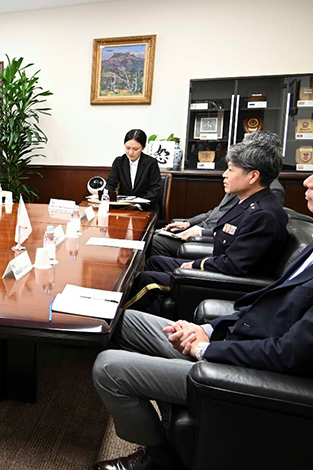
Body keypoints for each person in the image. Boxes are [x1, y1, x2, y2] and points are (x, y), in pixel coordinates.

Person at [91, 172, 313, 470]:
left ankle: (160, 460)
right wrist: (207, 328)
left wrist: (206, 351)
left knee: (107, 367)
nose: (307, 182)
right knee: (125, 320)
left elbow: (288, 355)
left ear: (252, 174)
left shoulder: (266, 213)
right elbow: (262, 303)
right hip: (230, 338)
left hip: (241, 368)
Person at [128, 139, 288, 315]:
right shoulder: (249, 201)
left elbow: (234, 265)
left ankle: (114, 325)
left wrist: (197, 265)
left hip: (228, 281)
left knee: (146, 279)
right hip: (221, 266)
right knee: (155, 262)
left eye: (231, 170)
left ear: (253, 176)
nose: (224, 174)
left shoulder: (263, 214)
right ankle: (155, 312)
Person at [151, 131, 286, 257]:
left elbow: (241, 234)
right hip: (207, 231)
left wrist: (200, 233)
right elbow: (217, 211)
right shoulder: (240, 182)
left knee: (156, 244)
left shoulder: (268, 191)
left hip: (215, 241)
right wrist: (189, 223)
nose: (225, 174)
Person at [106, 129, 162, 214]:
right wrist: (105, 197)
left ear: (143, 147)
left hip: (145, 208)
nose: (131, 152)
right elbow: (111, 183)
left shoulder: (151, 163)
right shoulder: (119, 162)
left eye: (135, 149)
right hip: (123, 207)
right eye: (127, 148)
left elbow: (155, 188)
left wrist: (137, 205)